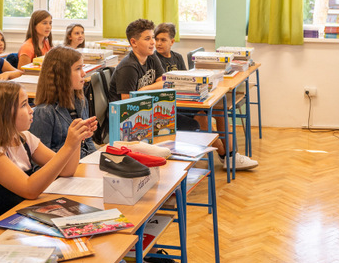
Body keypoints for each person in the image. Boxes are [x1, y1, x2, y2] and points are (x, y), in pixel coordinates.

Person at [110, 19, 258, 170]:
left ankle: (230, 156)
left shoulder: (151, 57)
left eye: (152, 37)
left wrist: (143, 90)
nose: (153, 42)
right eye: (148, 39)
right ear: (134, 42)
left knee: (219, 110)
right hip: (139, 119)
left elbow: (164, 81)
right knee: (201, 118)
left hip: (157, 107)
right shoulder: (128, 67)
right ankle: (226, 155)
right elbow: (127, 105)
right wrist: (149, 90)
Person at [0, 81, 96, 238]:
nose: (31, 110)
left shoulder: (23, 138)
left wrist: (76, 140)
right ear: (3, 113)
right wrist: (67, 146)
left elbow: (67, 170)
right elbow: (29, 189)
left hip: (20, 220)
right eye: (24, 105)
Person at [29, 45, 98, 158]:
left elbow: (88, 142)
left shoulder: (80, 101)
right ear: (62, 74)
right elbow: (39, 162)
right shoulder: (44, 112)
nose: (83, 73)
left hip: (82, 162)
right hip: (66, 167)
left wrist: (96, 159)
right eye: (78, 69)